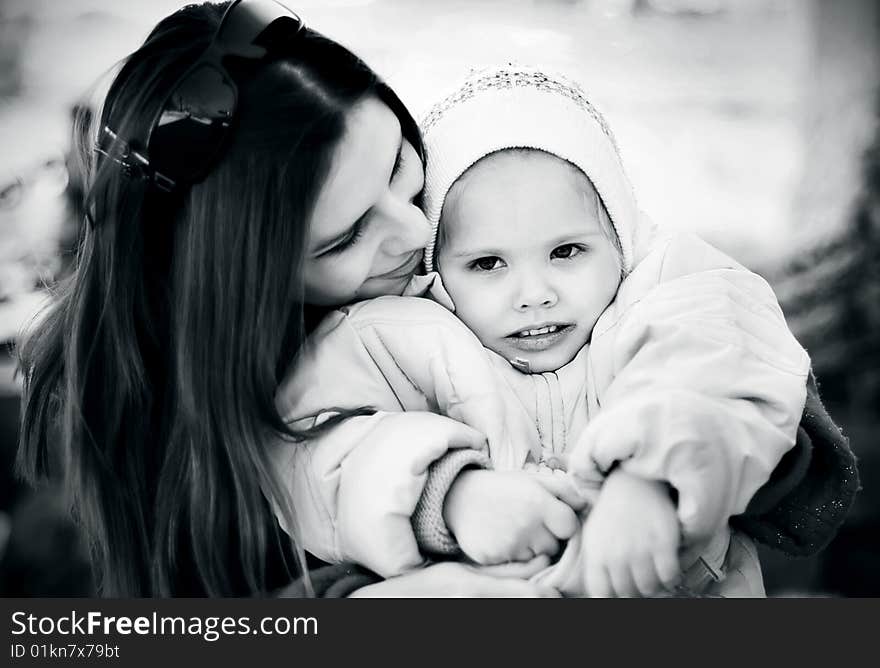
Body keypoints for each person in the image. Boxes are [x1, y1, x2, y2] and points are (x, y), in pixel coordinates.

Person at [14, 1, 557, 598]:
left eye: (399, 162)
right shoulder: (163, 433)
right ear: (246, 282)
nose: (412, 230)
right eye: (347, 237)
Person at [273, 66, 855, 597]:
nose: (533, 293)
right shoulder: (391, 338)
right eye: (487, 264)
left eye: (567, 251)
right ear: (438, 266)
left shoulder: (670, 295)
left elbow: (711, 374)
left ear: (621, 236)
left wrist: (650, 477)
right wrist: (448, 497)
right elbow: (314, 449)